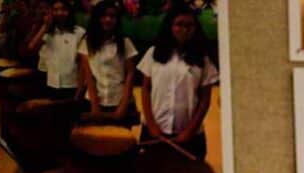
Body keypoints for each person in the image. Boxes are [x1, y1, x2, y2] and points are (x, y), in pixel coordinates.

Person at [137, 3, 218, 160]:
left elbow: (205, 100)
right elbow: (146, 89)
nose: (185, 30)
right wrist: (151, 125)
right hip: (154, 130)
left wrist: (189, 131)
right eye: (179, 24)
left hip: (189, 134)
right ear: (170, 26)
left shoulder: (203, 58)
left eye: (189, 25)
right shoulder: (154, 53)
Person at [77, 0, 138, 125]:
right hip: (94, 100)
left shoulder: (125, 42)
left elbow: (130, 74)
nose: (108, 19)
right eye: (104, 16)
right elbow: (88, 76)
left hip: (119, 100)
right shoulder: (86, 42)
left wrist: (123, 105)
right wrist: (94, 105)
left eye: (112, 16)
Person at [26, 0, 86, 101]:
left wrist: (80, 89)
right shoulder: (48, 33)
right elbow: (31, 48)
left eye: (63, 9)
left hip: (72, 84)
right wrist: (45, 26)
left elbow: (83, 64)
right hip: (51, 83)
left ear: (69, 11)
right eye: (55, 10)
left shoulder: (79, 32)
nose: (59, 13)